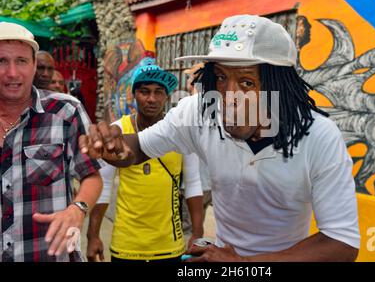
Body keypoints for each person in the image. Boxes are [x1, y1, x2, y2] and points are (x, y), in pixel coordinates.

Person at [79, 15, 360, 261]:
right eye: (222, 78)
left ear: (279, 87)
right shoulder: (199, 112)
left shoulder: (319, 136)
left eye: (247, 83)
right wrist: (114, 145)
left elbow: (342, 244)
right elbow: (137, 148)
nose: (228, 97)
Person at [0, 22, 103, 262]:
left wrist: (77, 209)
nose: (12, 73)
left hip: (50, 255)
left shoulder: (66, 111)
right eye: (1, 61)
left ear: (34, 65)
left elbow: (92, 176)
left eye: (22, 61)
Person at [86, 58, 204, 263]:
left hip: (169, 245)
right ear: (134, 95)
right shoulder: (118, 131)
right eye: (144, 91)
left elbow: (193, 183)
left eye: (158, 92)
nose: (151, 98)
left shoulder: (180, 131)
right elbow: (104, 185)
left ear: (167, 97)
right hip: (126, 245)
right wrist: (92, 235)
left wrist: (198, 232)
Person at [181, 64, 213, 239]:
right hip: (213, 183)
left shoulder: (186, 109)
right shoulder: (219, 109)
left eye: (189, 78)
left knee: (189, 232)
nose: (187, 82)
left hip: (193, 185)